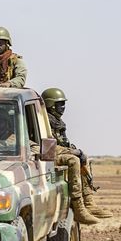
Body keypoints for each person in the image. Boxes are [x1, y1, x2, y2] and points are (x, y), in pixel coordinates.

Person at [43, 87, 112, 219]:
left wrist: (74, 150)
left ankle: (89, 202)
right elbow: (49, 146)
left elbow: (62, 142)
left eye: (63, 104)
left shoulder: (56, 121)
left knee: (84, 158)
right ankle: (79, 206)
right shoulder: (45, 122)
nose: (63, 107)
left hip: (58, 151)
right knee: (74, 160)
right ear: (50, 105)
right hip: (49, 155)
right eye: (59, 104)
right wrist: (72, 151)